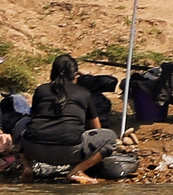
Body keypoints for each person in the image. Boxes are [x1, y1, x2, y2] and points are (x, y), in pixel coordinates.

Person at [20, 54, 117, 183]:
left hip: (34, 149)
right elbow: (97, 128)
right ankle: (77, 171)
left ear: (52, 72)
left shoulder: (41, 90)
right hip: (68, 151)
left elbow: (34, 118)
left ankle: (27, 167)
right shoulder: (83, 93)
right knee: (110, 137)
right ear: (75, 75)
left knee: (22, 123)